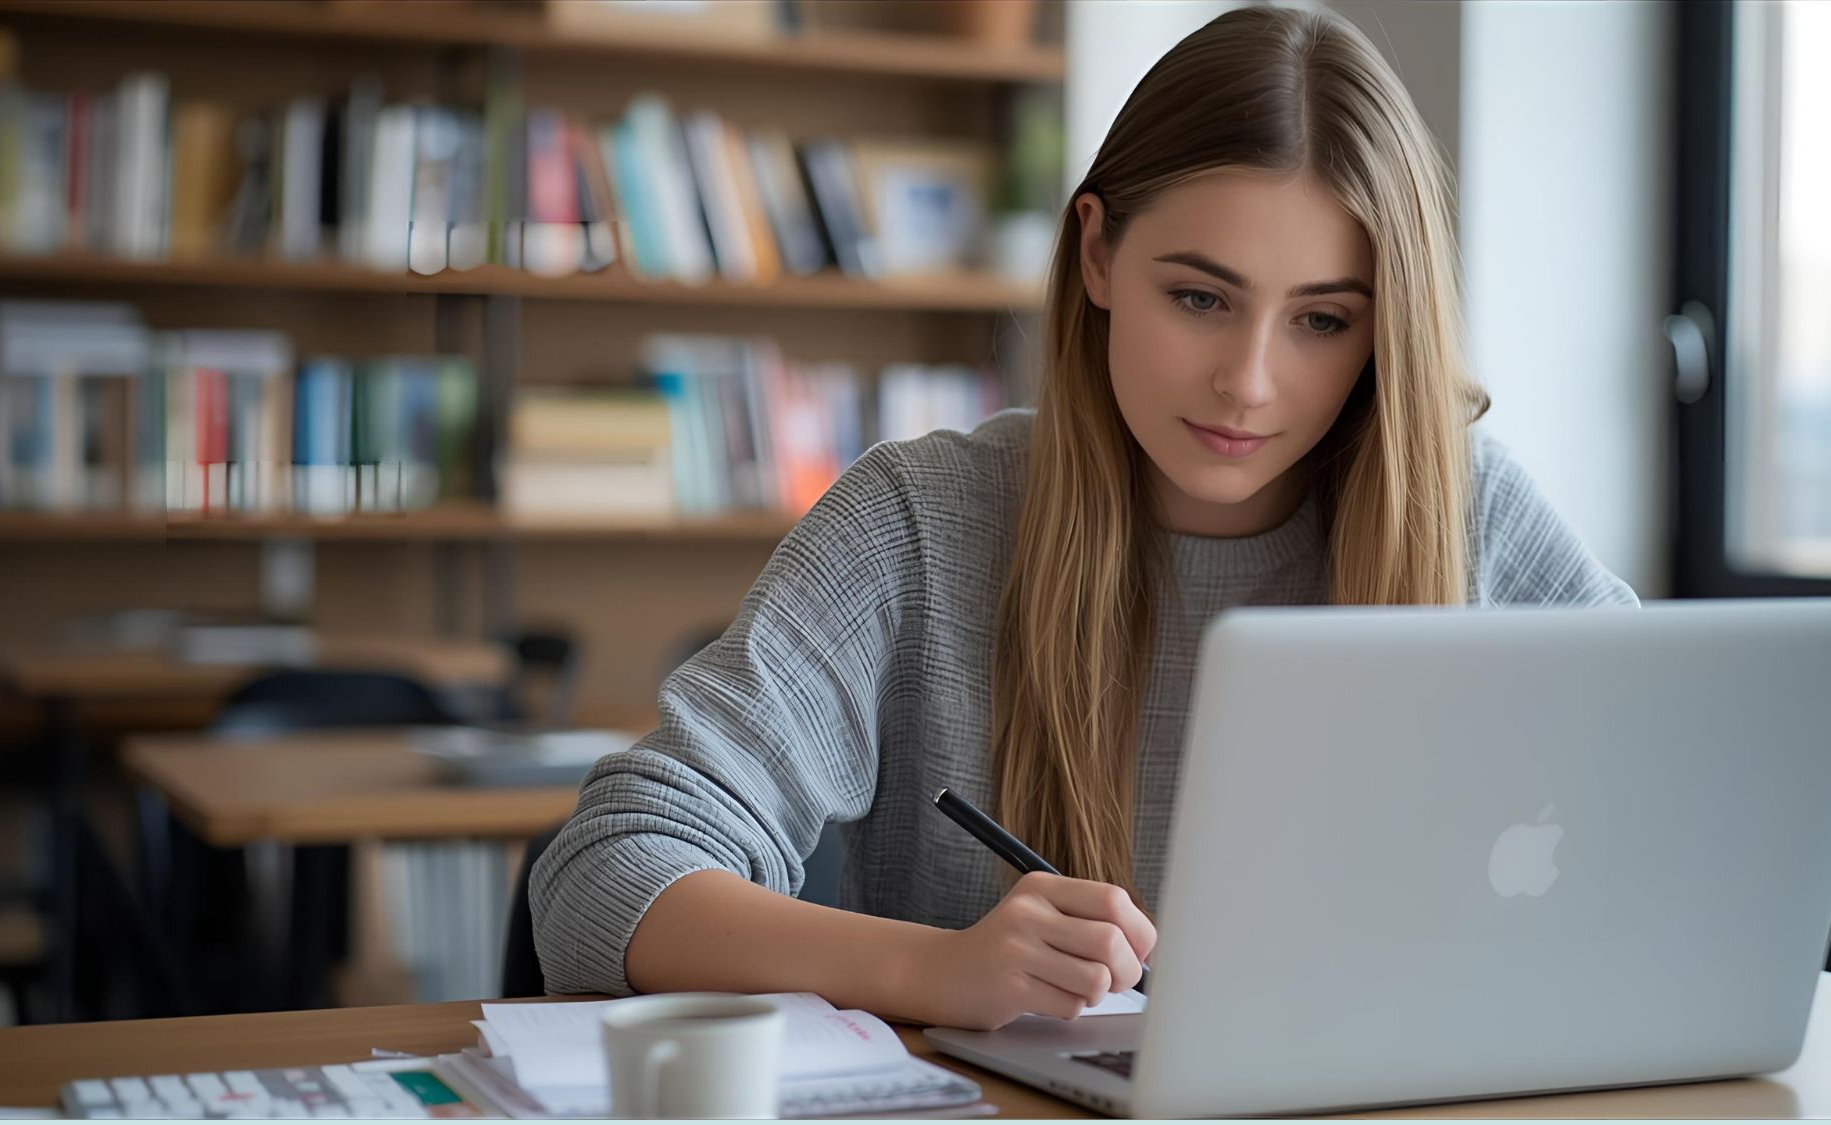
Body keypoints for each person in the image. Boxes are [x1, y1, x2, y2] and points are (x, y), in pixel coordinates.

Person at [531, 4, 1636, 1032]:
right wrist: (933, 969)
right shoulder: (920, 522)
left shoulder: (1465, 510)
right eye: (1199, 299)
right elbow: (602, 877)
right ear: (1099, 253)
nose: (1247, 382)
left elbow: (1680, 808)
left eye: (1320, 321)